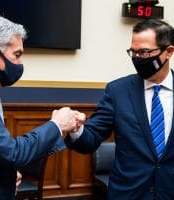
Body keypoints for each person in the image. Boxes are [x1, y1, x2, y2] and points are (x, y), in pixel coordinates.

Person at [0, 15, 85, 199]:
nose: (20, 64)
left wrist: (7, 174)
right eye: (17, 55)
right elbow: (11, 153)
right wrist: (57, 124)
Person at [65, 19, 174, 199]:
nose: (137, 58)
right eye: (133, 52)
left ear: (168, 52)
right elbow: (91, 138)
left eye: (144, 52)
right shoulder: (118, 91)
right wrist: (77, 129)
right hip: (129, 193)